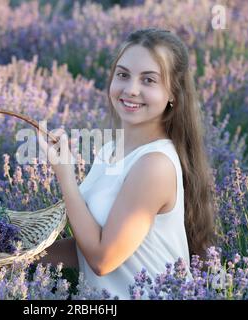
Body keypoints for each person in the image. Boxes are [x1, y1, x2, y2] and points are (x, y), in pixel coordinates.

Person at [36, 27, 216, 299]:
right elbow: (89, 244)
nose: (131, 90)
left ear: (173, 93)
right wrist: (11, 254)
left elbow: (102, 259)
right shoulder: (111, 151)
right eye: (123, 75)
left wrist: (65, 175)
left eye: (149, 80)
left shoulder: (155, 164)